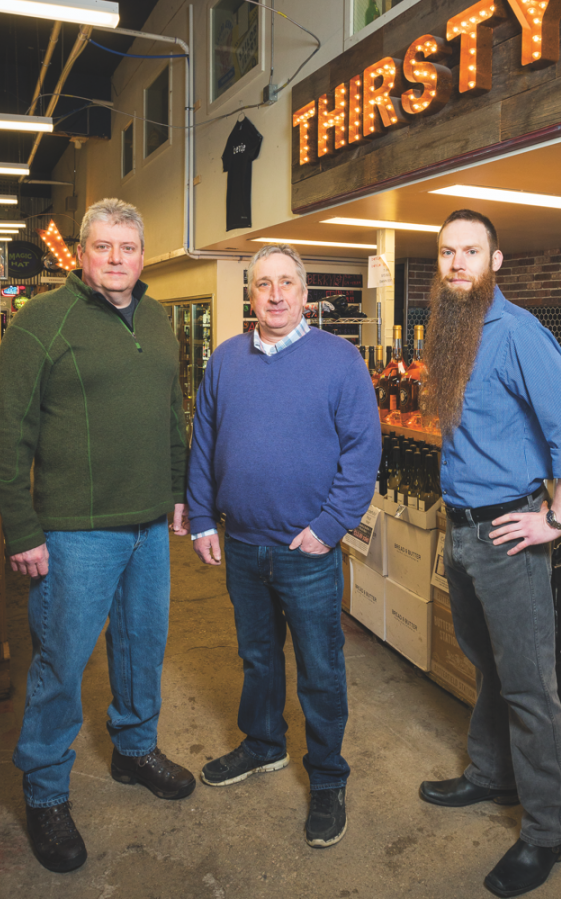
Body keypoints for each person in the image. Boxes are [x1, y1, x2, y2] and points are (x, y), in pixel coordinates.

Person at [0, 198, 194, 874]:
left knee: (143, 645)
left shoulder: (161, 319)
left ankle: (135, 749)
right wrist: (23, 528)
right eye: (103, 246)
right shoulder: (41, 322)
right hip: (74, 533)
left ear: (141, 253)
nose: (116, 258)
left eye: (127, 247)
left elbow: (171, 413)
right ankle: (46, 791)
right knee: (62, 662)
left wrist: (175, 493)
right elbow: (8, 432)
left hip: (148, 528)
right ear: (81, 253)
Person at [418, 209, 561, 899]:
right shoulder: (455, 331)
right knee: (488, 665)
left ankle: (548, 831)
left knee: (529, 687)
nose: (457, 262)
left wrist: (554, 520)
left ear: (496, 262)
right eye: (447, 252)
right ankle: (489, 773)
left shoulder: (518, 332)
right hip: (463, 530)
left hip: (508, 532)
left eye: (471, 251)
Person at [187, 243, 381, 848]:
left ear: (305, 293)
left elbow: (362, 453)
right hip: (242, 543)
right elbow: (203, 441)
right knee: (258, 657)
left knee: (320, 670)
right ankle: (264, 744)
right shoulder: (225, 360)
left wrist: (329, 528)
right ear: (251, 293)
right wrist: (200, 518)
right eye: (263, 284)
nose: (275, 294)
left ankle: (326, 777)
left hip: (307, 551)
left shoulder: (340, 359)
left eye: (286, 283)